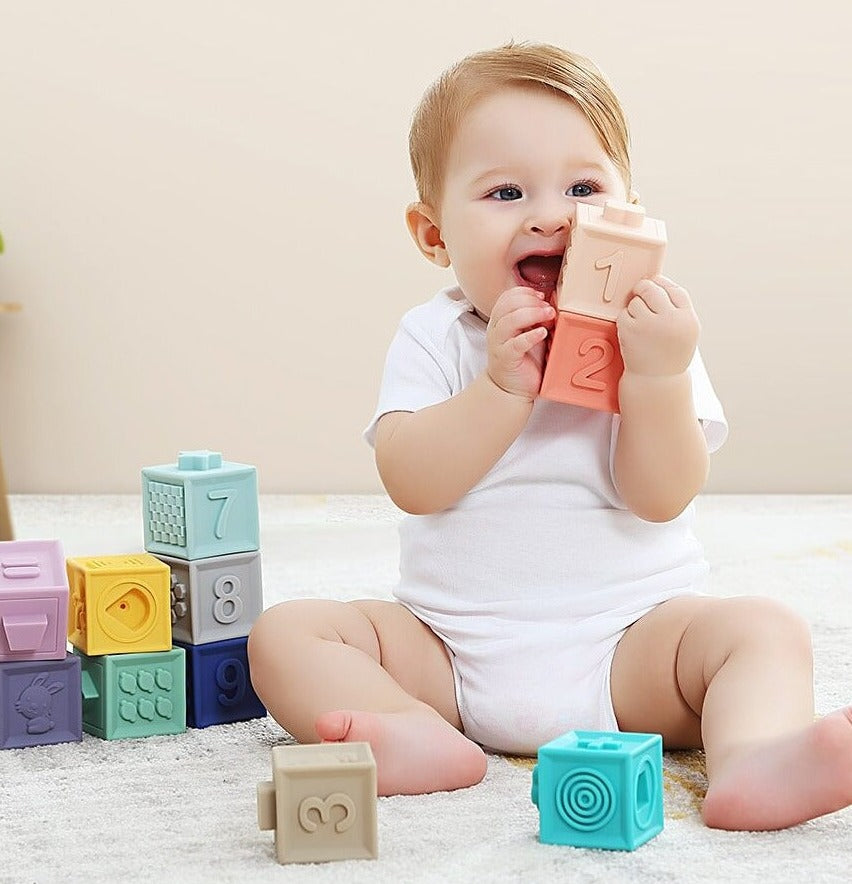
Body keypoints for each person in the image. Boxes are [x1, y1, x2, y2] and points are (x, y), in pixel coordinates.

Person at [248, 41, 852, 831]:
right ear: (432, 235)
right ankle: (412, 733)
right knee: (286, 634)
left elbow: (662, 496)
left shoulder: (654, 339)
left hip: (631, 651)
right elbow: (413, 481)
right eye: (505, 191)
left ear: (630, 209)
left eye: (584, 186)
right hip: (450, 654)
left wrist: (657, 380)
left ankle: (754, 760)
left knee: (763, 628)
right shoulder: (437, 337)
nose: (552, 214)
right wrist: (501, 389)